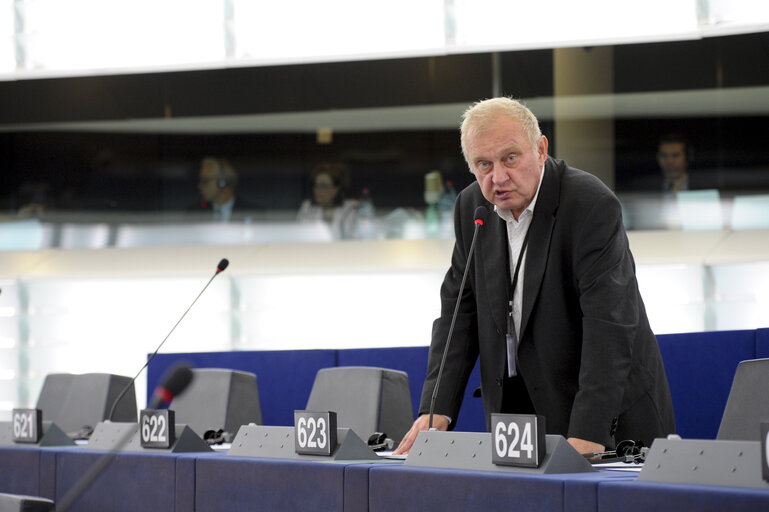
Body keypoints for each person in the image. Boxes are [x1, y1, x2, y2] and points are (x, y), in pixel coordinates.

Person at [394, 97, 675, 456]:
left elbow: (610, 326)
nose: (497, 177)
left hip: (607, 421)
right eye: (483, 164)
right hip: (518, 422)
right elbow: (458, 315)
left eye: (510, 158)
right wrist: (436, 411)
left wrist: (588, 432)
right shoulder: (472, 209)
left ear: (540, 149)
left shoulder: (589, 204)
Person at [297, 162, 358, 239]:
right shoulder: (307, 207)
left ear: (337, 188)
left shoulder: (352, 209)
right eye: (315, 185)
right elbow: (301, 236)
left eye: (323, 186)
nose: (317, 190)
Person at [196, 157, 246, 221]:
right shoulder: (195, 212)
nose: (200, 186)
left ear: (222, 183)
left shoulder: (253, 212)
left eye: (205, 181)